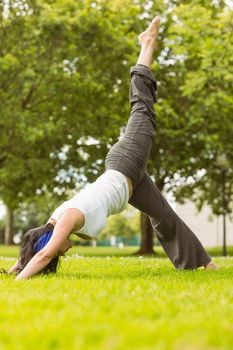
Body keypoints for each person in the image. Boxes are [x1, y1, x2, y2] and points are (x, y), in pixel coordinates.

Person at [7, 16, 217, 280]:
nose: (64, 251)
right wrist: (17, 265)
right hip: (130, 184)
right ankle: (201, 264)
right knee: (163, 215)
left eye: (60, 250)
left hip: (125, 164)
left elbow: (43, 254)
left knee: (143, 110)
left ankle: (147, 45)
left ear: (50, 238)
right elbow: (34, 250)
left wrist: (18, 281)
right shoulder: (55, 218)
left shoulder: (67, 218)